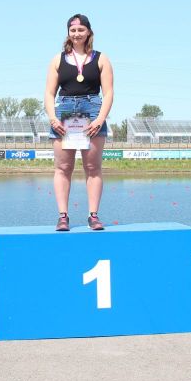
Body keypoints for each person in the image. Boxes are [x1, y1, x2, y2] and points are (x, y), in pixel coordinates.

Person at [44, 14, 114, 231]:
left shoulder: (101, 59)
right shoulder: (57, 60)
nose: (77, 34)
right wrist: (53, 118)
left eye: (81, 30)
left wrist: (100, 119)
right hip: (64, 112)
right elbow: (49, 93)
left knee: (92, 167)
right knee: (63, 167)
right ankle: (63, 216)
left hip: (92, 111)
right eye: (73, 30)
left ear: (89, 32)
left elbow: (109, 93)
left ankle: (93, 216)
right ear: (68, 33)